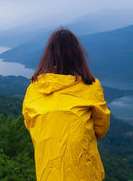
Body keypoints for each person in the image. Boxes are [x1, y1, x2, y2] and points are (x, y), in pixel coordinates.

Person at [22, 28, 111, 181]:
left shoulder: (33, 90)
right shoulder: (91, 87)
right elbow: (101, 129)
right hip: (84, 173)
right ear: (78, 54)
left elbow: (31, 126)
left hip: (47, 172)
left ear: (48, 55)